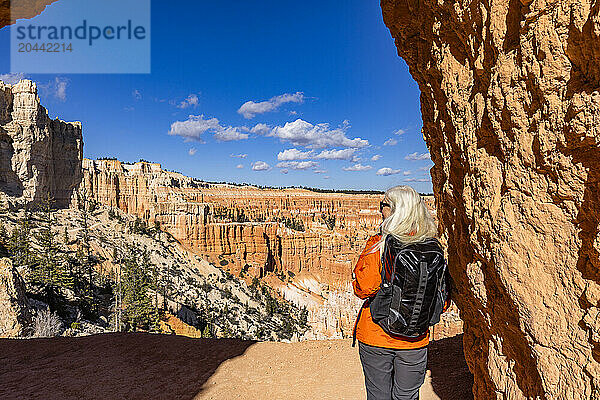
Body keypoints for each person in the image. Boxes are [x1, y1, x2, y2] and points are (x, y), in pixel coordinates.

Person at [351, 185, 449, 400]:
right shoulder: (433, 247)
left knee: (379, 395)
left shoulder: (379, 245)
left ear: (395, 210)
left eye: (383, 205)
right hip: (415, 337)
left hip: (376, 334)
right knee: (407, 395)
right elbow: (442, 300)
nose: (380, 210)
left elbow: (364, 288)